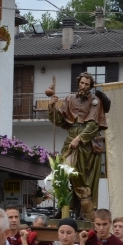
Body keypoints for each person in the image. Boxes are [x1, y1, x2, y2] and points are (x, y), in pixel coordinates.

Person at [48, 71, 110, 217]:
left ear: (91, 86)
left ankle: (83, 209)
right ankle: (64, 206)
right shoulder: (70, 99)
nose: (83, 86)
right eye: (82, 83)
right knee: (63, 171)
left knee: (83, 176)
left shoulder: (96, 101)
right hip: (71, 137)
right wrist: (51, 107)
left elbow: (94, 124)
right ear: (78, 83)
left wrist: (80, 138)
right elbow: (60, 120)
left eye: (87, 84)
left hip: (87, 143)